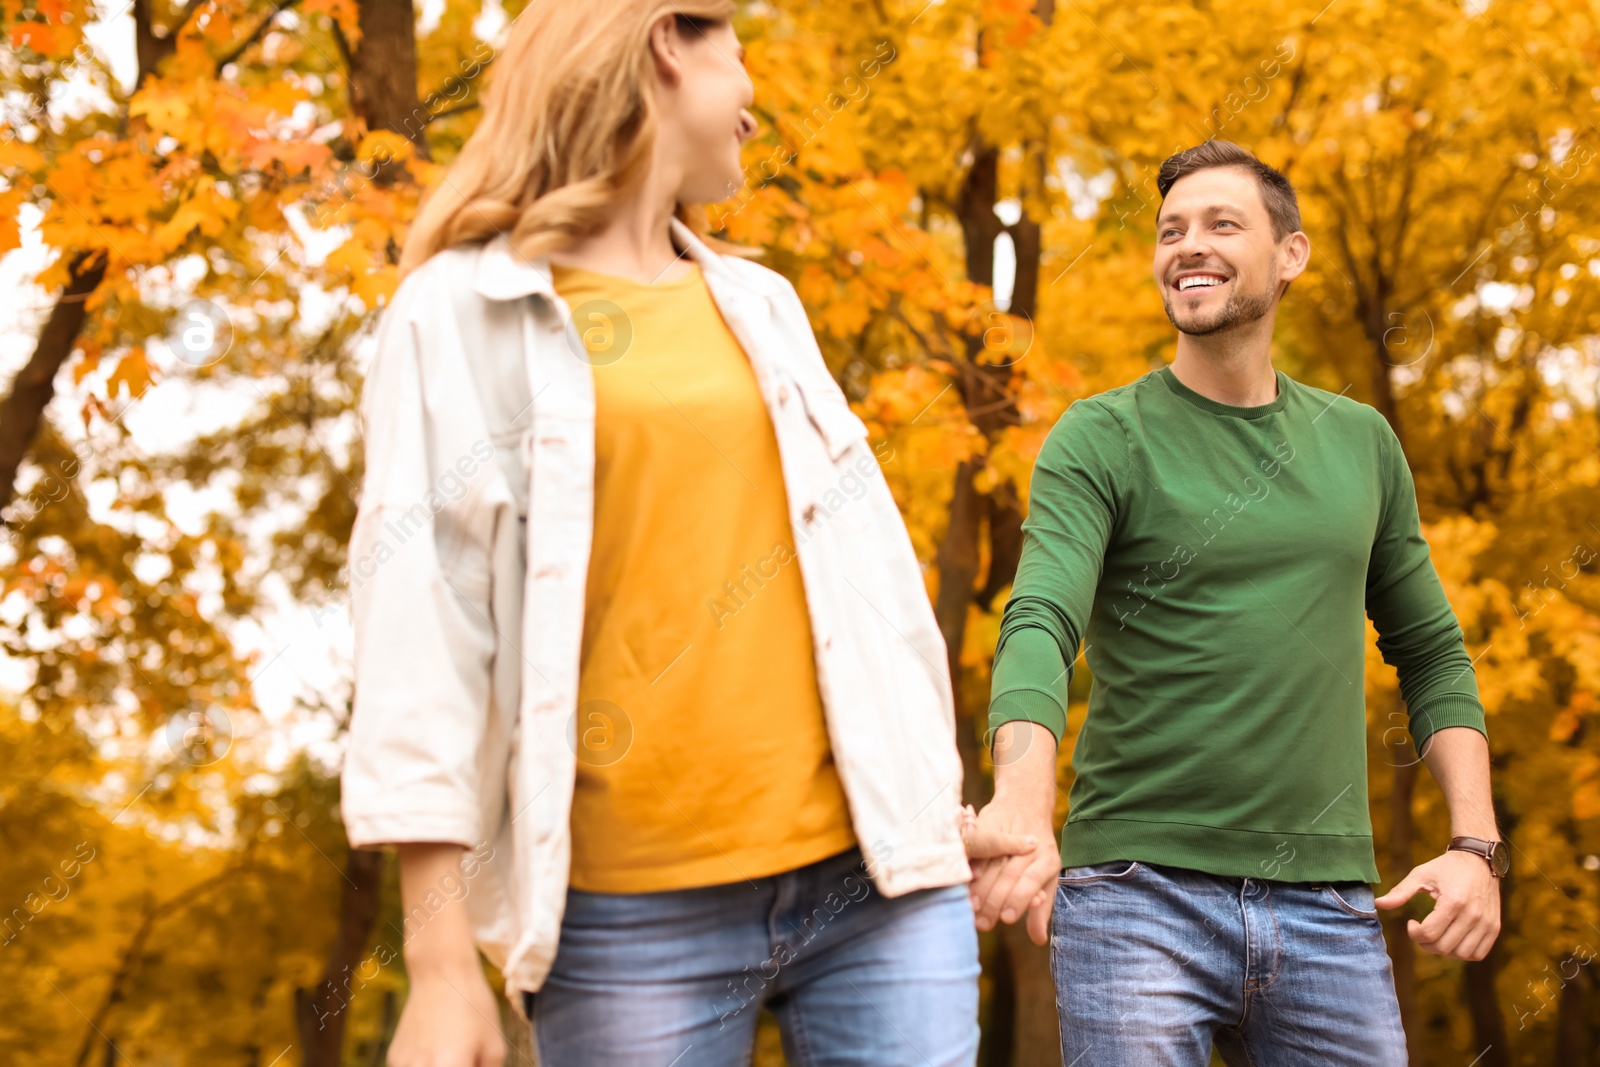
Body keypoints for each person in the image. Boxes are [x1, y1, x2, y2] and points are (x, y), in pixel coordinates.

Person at [338, 3, 1031, 1065]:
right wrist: (437, 970)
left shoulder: (761, 304)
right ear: (668, 42)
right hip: (628, 924)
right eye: (742, 56)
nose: (756, 103)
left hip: (879, 896)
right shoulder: (461, 311)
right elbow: (421, 623)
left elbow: (871, 593)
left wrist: (934, 812)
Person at [966, 140, 1506, 1065]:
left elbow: (1432, 652)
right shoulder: (1102, 435)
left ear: (1289, 254)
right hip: (1135, 897)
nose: (1188, 245)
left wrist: (1478, 847)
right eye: (1171, 230)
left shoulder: (1362, 443)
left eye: (1222, 224)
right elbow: (1042, 618)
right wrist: (1022, 793)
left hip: (1331, 905)